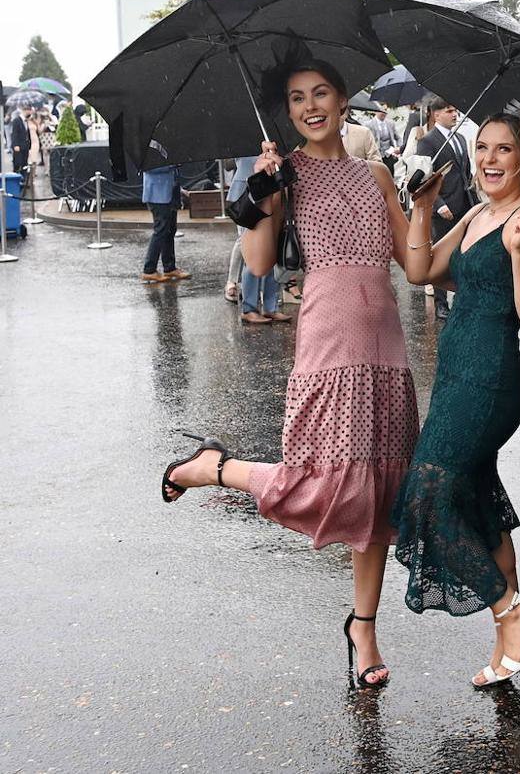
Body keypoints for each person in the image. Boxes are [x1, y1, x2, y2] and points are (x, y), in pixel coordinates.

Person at [157, 59, 419, 691]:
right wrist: (260, 192)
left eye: (321, 93)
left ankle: (363, 626)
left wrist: (434, 208)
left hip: (386, 345)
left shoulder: (377, 174)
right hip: (329, 342)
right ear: (289, 110)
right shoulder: (284, 175)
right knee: (323, 483)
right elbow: (257, 262)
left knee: (379, 491)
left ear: (343, 99)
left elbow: (416, 266)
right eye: (298, 98)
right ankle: (215, 468)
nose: (310, 106)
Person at [393, 113, 520, 686]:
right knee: (479, 498)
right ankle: (508, 645)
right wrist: (420, 208)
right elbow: (418, 271)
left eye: (504, 149)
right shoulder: (476, 214)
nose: (490, 159)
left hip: (489, 379)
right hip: (456, 373)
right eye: (482, 147)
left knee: (427, 496)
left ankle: (512, 611)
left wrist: (519, 253)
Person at [416, 99, 477, 321]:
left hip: (465, 204)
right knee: (441, 256)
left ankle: (462, 299)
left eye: (455, 110)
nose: (454, 114)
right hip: (443, 208)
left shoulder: (460, 138)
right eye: (449, 110)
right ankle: (441, 303)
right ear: (436, 114)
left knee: (464, 253)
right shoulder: (428, 141)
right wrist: (439, 203)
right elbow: (424, 177)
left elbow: (465, 172)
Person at [225, 156, 291, 324]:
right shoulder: (244, 143)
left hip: (274, 192)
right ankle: (249, 308)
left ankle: (271, 306)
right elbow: (236, 163)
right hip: (248, 194)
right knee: (253, 251)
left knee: (273, 249)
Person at [140, 164, 189, 283]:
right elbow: (150, 168)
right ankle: (149, 270)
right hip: (157, 195)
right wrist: (172, 165)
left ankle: (169, 267)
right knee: (160, 231)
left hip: (170, 192)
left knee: (170, 230)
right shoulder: (149, 154)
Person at [9, 108, 31, 176]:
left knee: (24, 164)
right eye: (28, 110)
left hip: (25, 146)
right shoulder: (16, 121)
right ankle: (16, 178)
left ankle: (24, 178)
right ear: (24, 111)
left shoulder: (27, 121)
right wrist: (15, 144)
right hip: (18, 146)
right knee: (17, 164)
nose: (30, 112)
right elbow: (14, 133)